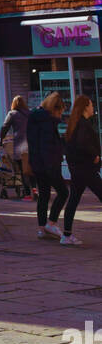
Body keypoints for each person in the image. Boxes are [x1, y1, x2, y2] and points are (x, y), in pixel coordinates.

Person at [61, 95, 102, 246]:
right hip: (86, 170)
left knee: (73, 200)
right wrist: (95, 156)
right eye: (91, 105)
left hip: (78, 170)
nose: (93, 108)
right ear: (85, 107)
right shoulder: (83, 124)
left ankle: (66, 235)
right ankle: (66, 235)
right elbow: (82, 144)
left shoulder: (75, 123)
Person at [27, 92, 68, 240]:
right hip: (49, 164)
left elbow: (34, 143)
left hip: (38, 164)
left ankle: (41, 228)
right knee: (63, 192)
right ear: (55, 109)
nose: (60, 115)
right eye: (60, 112)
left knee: (43, 194)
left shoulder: (35, 118)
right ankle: (51, 222)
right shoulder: (47, 122)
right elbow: (47, 146)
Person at [0, 95, 32, 197]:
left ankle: (27, 192)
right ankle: (34, 189)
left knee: (23, 169)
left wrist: (1, 138)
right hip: (32, 144)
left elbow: (4, 127)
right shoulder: (30, 113)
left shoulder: (12, 114)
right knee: (31, 167)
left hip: (20, 144)